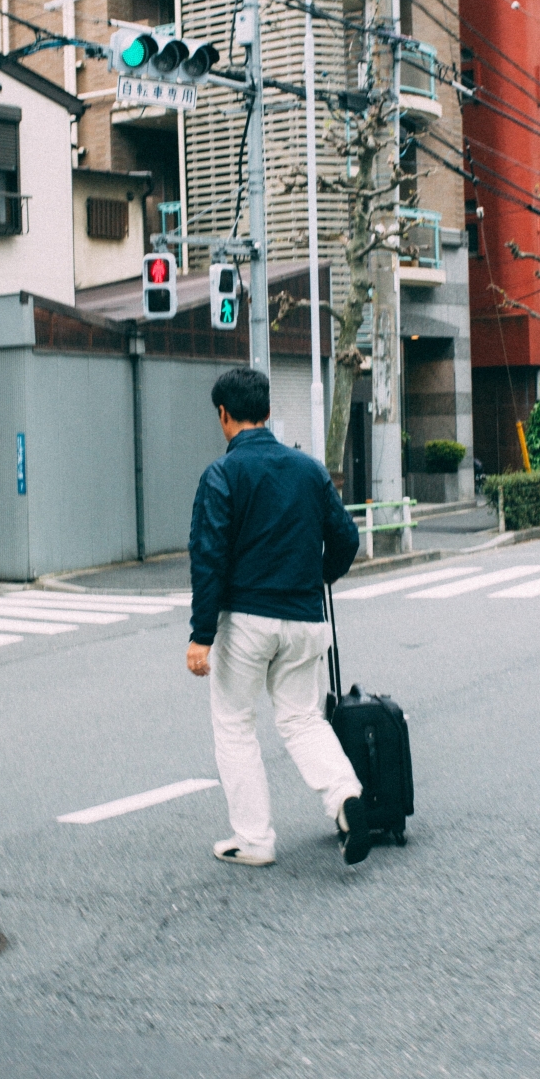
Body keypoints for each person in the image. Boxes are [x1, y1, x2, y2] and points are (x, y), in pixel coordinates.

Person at [186, 365, 367, 868]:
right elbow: (347, 539)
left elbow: (209, 557)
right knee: (302, 719)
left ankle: (255, 839)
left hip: (246, 620)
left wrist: (201, 636)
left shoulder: (222, 475)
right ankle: (346, 799)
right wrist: (317, 578)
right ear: (267, 412)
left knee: (235, 724)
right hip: (306, 618)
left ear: (224, 416)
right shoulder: (309, 470)